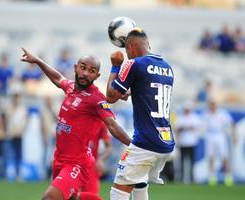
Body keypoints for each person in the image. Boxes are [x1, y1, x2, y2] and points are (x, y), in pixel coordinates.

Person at [21, 48, 131, 200]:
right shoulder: (70, 87)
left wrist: (134, 146)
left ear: (96, 75)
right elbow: (58, 78)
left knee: (50, 198)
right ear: (75, 68)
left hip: (77, 164)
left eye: (91, 71)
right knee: (72, 198)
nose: (86, 73)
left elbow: (112, 125)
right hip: (59, 159)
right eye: (83, 67)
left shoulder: (96, 99)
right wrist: (38, 61)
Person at [106, 28, 175, 200]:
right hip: (166, 142)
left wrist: (115, 65)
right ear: (148, 45)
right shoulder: (167, 67)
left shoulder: (133, 64)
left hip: (146, 142)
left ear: (129, 48)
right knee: (139, 181)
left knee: (119, 190)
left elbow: (110, 96)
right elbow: (148, 91)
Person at [201, 99, 236, 186]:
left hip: (220, 134)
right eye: (211, 105)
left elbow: (231, 122)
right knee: (211, 156)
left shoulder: (222, 113)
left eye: (213, 105)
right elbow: (201, 125)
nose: (212, 106)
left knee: (224, 156)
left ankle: (228, 177)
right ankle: (212, 178)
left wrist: (234, 135)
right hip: (210, 135)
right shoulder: (206, 113)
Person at [174, 102, 201, 184]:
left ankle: (192, 178)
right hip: (183, 142)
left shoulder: (195, 117)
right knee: (182, 161)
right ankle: (182, 178)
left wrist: (185, 127)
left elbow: (197, 128)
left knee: (192, 161)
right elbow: (177, 128)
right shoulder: (180, 117)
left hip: (192, 142)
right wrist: (187, 127)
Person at [82, 122, 112, 194]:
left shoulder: (100, 123)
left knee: (91, 195)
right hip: (73, 162)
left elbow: (109, 147)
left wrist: (100, 160)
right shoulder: (75, 118)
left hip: (91, 165)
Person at [5, 93, 28, 180]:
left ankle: (18, 173)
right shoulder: (9, 108)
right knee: (10, 154)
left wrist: (23, 130)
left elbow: (25, 120)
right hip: (11, 134)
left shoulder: (22, 109)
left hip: (19, 134)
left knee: (19, 155)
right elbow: (7, 121)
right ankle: (8, 173)